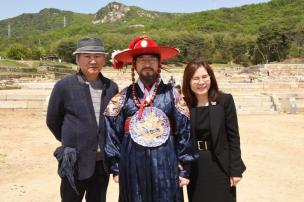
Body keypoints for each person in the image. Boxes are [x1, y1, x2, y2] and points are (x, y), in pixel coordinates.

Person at [104, 35, 198, 202]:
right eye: (141, 59)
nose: (147, 64)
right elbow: (111, 130)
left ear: (159, 63)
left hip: (166, 161)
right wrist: (116, 167)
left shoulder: (173, 95)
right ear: (134, 65)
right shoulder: (123, 97)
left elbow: (185, 130)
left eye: (152, 60)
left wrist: (185, 168)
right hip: (132, 163)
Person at [46, 37, 118, 202]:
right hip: (74, 160)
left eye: (97, 56)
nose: (93, 61)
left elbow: (113, 121)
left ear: (104, 59)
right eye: (86, 56)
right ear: (78, 59)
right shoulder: (63, 86)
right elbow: (53, 120)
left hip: (101, 163)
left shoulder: (111, 87)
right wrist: (70, 140)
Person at [182, 59, 246, 202]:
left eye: (205, 77)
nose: (201, 82)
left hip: (220, 164)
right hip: (196, 166)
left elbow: (233, 137)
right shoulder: (184, 104)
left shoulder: (225, 100)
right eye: (195, 78)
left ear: (211, 77)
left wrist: (235, 169)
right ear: (188, 81)